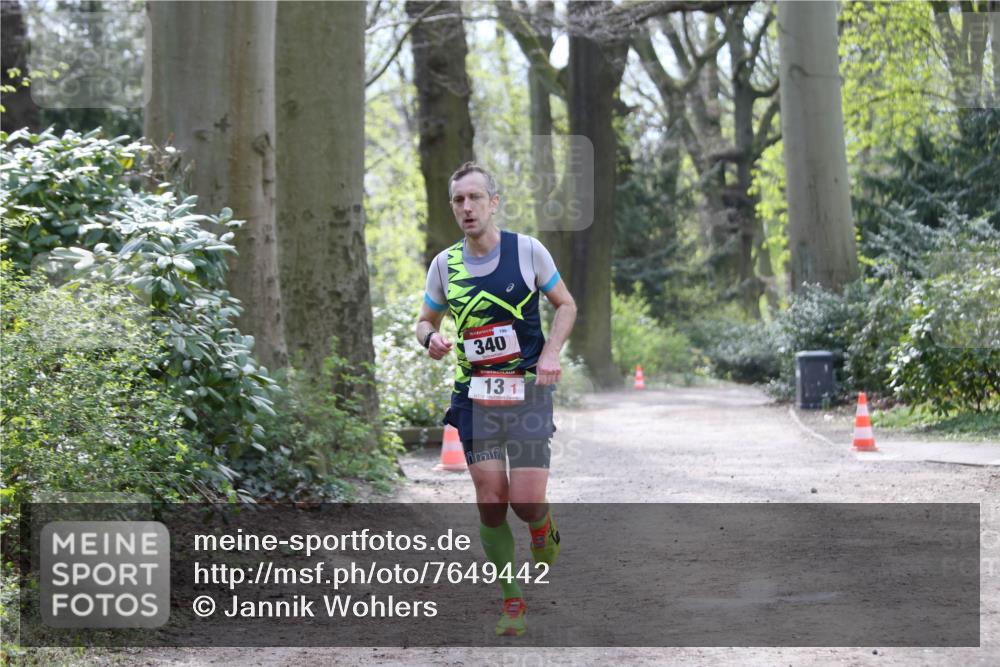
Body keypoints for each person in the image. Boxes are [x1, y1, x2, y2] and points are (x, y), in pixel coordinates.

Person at [415, 162, 577, 637]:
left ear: (493, 202)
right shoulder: (445, 265)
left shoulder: (527, 251)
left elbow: (565, 304)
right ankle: (511, 600)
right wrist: (431, 340)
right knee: (490, 499)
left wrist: (550, 353)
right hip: (475, 396)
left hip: (526, 391)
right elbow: (425, 320)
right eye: (458, 200)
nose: (467, 207)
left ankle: (541, 525)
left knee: (525, 502)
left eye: (475, 198)